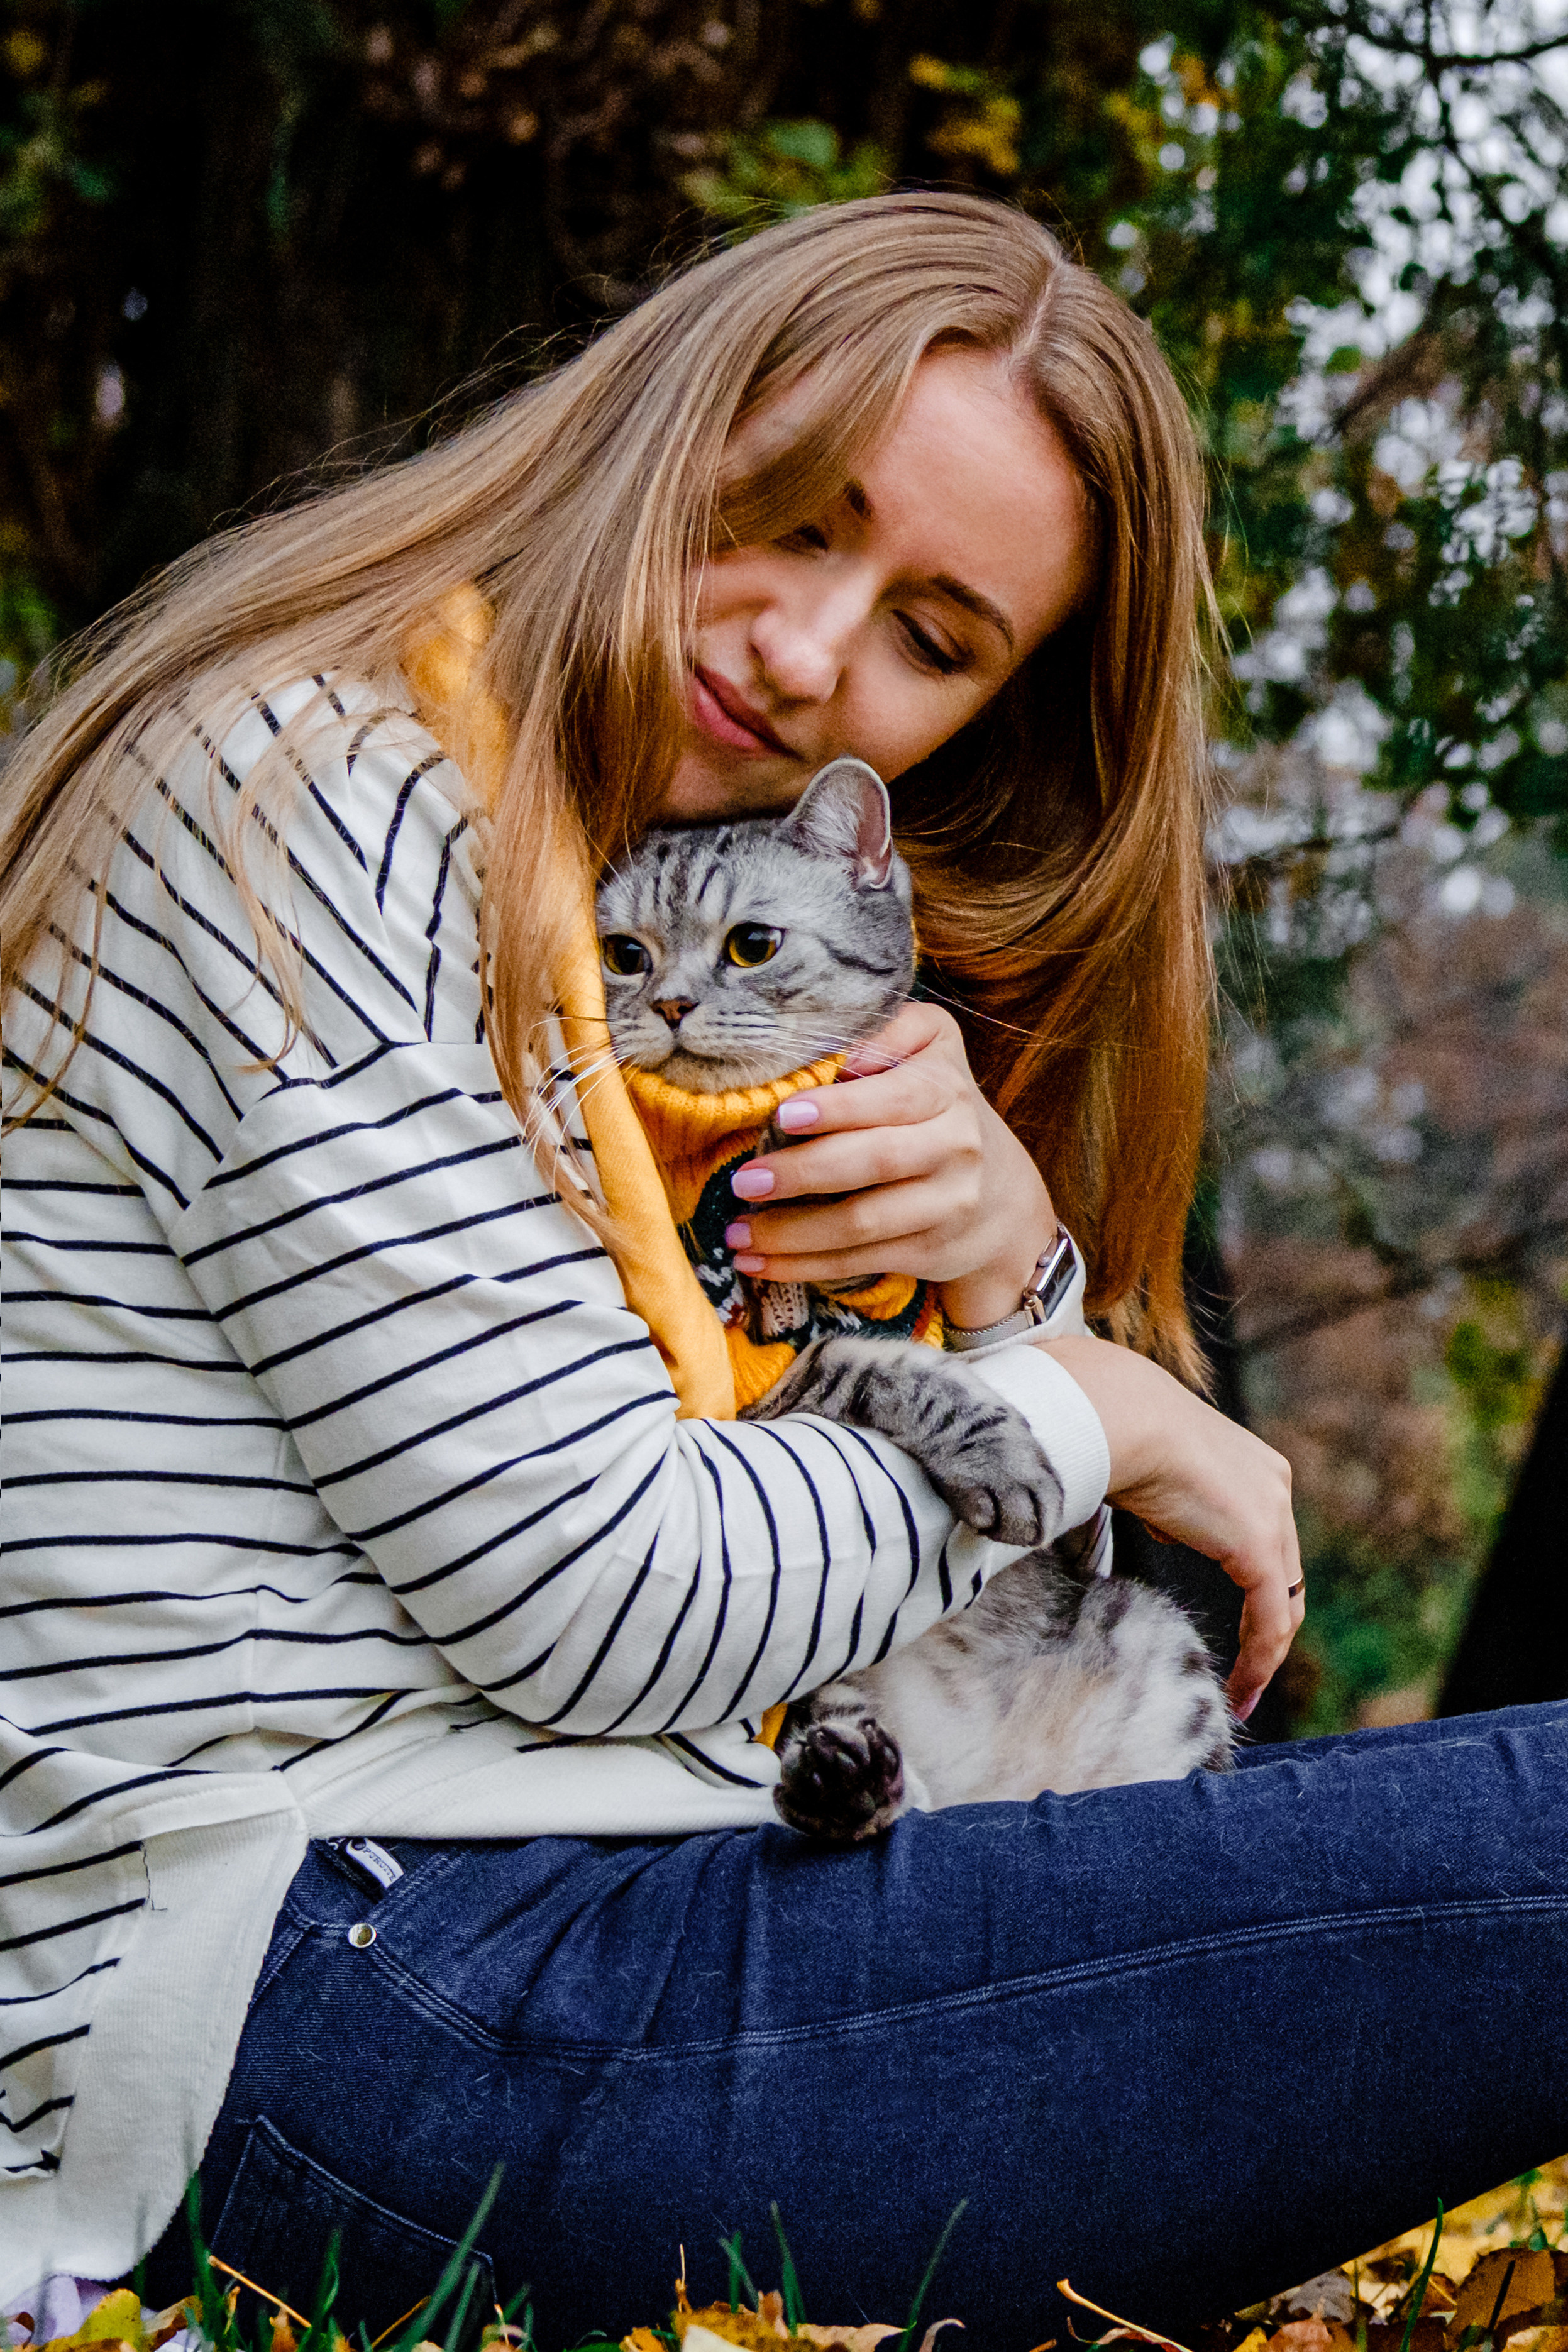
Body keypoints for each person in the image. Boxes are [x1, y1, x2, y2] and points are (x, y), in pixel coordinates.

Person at [1, 192, 1562, 2347]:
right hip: (314, 2021)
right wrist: (1088, 1403)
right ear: (661, 423)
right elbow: (594, 1598)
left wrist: (1014, 1269)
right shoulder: (318, 788)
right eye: (787, 517)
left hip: (534, 1921)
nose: (811, 652)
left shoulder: (561, 885)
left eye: (934, 638)